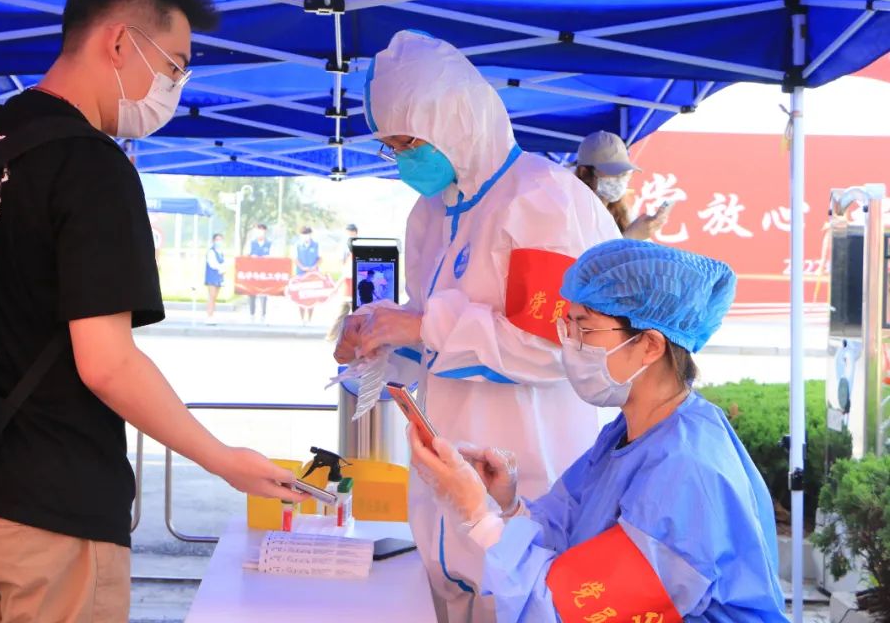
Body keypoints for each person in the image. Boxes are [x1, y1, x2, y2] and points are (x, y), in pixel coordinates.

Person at [0, 0, 304, 623]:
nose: (175, 88)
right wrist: (221, 459)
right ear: (121, 42)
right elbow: (107, 363)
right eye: (175, 65)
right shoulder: (89, 166)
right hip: (46, 509)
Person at [335, 30, 619, 622]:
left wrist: (422, 326)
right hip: (443, 519)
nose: (403, 159)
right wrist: (375, 342)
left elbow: (558, 346)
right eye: (390, 147)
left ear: (455, 119)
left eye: (409, 142)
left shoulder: (541, 200)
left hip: (525, 497)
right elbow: (433, 342)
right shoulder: (429, 214)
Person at [409, 240, 788, 622]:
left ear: (650, 345)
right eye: (568, 325)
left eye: (585, 329)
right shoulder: (628, 434)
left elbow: (568, 610)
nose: (569, 345)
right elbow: (567, 531)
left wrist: (478, 515)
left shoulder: (687, 469)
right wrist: (506, 503)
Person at [574, 130, 672, 241]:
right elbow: (587, 251)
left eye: (624, 172)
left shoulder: (621, 213)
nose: (620, 178)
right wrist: (631, 237)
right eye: (613, 171)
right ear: (584, 173)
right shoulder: (572, 214)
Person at [295, 225, 321, 324]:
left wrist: (314, 267)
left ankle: (309, 319)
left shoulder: (316, 245)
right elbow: (295, 259)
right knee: (301, 296)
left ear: (310, 235)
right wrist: (302, 267)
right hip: (301, 275)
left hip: (313, 275)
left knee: (311, 297)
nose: (306, 236)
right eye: (304, 234)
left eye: (307, 234)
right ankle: (302, 319)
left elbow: (320, 258)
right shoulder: (297, 245)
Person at [247, 223, 271, 323]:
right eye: (259, 231)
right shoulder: (251, 243)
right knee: (252, 294)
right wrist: (251, 257)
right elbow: (247, 257)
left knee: (264, 294)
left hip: (265, 273)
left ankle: (263, 315)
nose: (261, 233)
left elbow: (273, 258)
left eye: (262, 231)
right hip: (253, 273)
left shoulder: (269, 243)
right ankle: (252, 314)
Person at [204, 233, 228, 325]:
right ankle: (209, 316)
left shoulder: (220, 252)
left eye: (220, 240)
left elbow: (223, 263)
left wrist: (224, 269)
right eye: (217, 240)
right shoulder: (211, 251)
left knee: (215, 297)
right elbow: (213, 264)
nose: (219, 242)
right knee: (211, 296)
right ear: (213, 241)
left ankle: (212, 315)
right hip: (212, 277)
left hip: (218, 277)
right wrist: (221, 268)